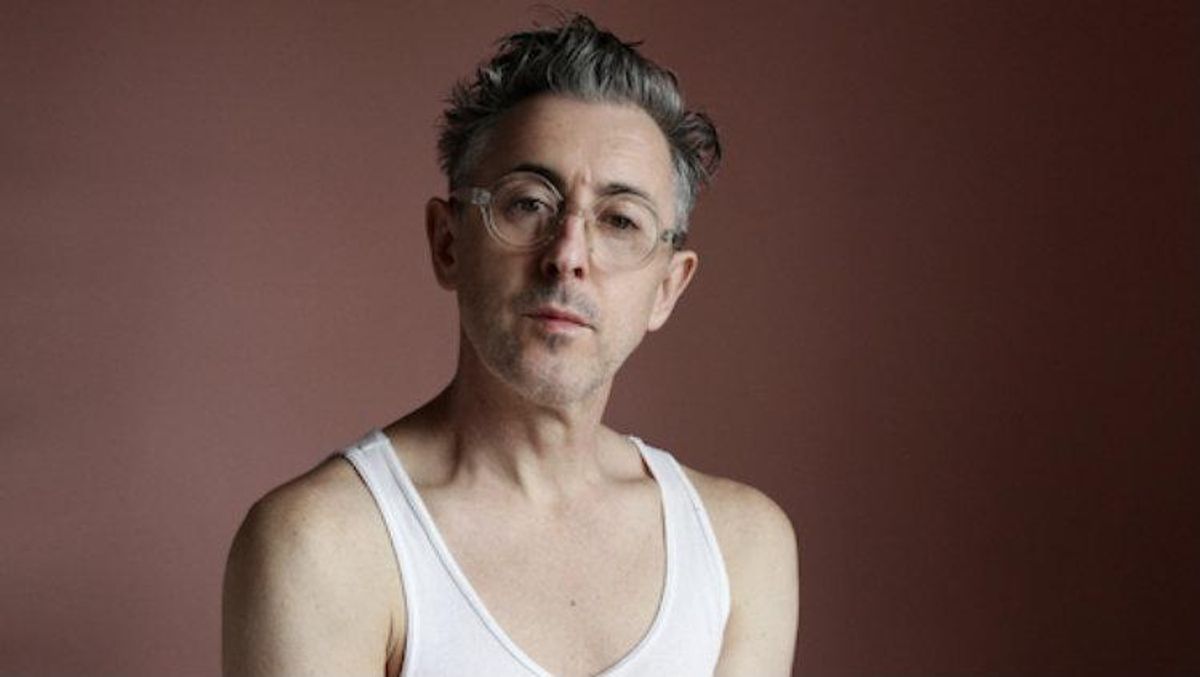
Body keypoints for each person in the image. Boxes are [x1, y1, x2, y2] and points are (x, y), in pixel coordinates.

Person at [222, 14, 799, 676]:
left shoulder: (740, 548)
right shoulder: (326, 544)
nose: (568, 256)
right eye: (528, 204)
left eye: (620, 220)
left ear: (668, 287)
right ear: (448, 243)